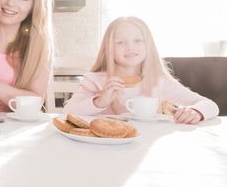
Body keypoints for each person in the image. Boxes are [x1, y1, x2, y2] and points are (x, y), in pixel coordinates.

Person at [64, 16, 219, 123]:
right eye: (120, 42)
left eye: (138, 40)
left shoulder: (158, 81)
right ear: (108, 49)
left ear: (148, 46)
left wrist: (196, 112)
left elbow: (210, 105)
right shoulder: (95, 80)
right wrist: (99, 101)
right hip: (103, 149)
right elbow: (67, 113)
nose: (130, 47)